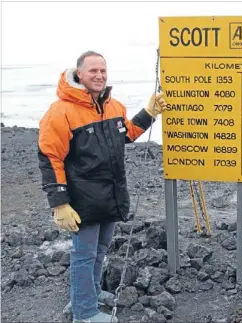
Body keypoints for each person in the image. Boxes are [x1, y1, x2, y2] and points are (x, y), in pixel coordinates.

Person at [37, 50, 166, 323]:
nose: (99, 75)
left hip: (111, 195)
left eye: (103, 71)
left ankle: (91, 293)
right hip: (82, 198)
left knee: (100, 250)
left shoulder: (114, 106)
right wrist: (60, 203)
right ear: (79, 74)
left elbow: (126, 135)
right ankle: (84, 313)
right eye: (93, 71)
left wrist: (149, 113)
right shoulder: (61, 111)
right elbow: (50, 157)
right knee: (84, 255)